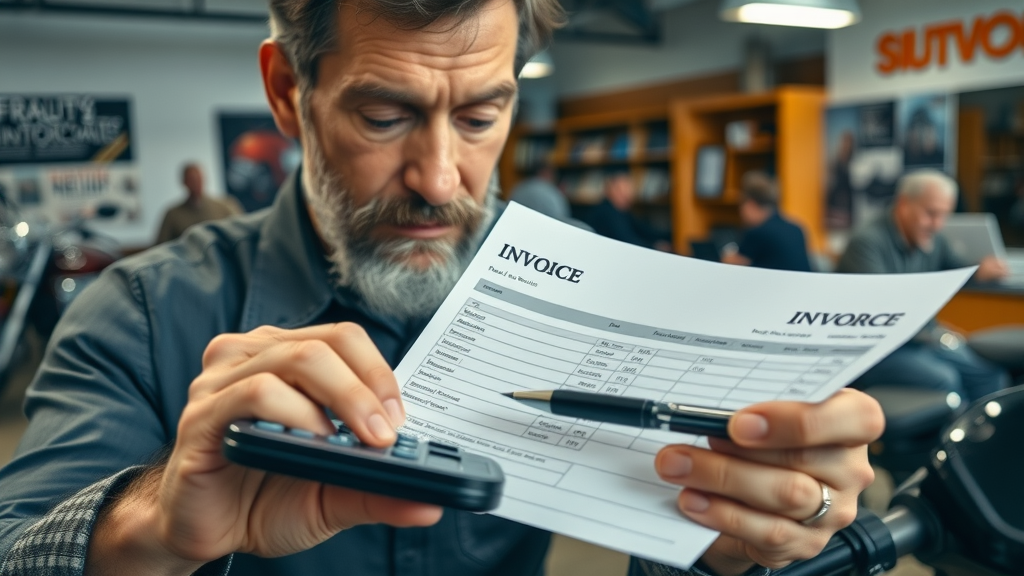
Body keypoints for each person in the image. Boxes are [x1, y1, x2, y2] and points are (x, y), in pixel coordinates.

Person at [0, 2, 883, 576]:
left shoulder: (593, 290)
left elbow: (662, 532)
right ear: (286, 92)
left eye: (480, 117)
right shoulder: (142, 313)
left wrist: (726, 539)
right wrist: (152, 523)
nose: (439, 178)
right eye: (384, 118)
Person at [837, 169, 1010, 402]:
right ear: (903, 204)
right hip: (877, 349)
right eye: (931, 213)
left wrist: (980, 269)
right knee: (945, 380)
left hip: (921, 340)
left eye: (944, 215)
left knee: (988, 374)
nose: (937, 224)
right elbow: (883, 307)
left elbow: (956, 269)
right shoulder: (866, 243)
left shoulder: (932, 238)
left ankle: (986, 436)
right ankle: (952, 438)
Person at [720, 172, 812, 272]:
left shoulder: (758, 232)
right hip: (803, 286)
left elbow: (730, 262)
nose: (740, 212)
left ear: (750, 204)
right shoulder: (796, 228)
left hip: (776, 286)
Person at [155, 163, 242, 244]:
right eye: (192, 179)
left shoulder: (225, 206)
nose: (196, 183)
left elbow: (241, 231)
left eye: (198, 179)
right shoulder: (173, 215)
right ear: (184, 182)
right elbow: (161, 245)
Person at [586, 172, 671, 251]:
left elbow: (644, 230)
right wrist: (655, 247)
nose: (626, 195)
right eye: (620, 190)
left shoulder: (623, 211)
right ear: (609, 191)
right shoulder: (607, 212)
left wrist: (670, 236)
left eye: (628, 190)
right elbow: (628, 242)